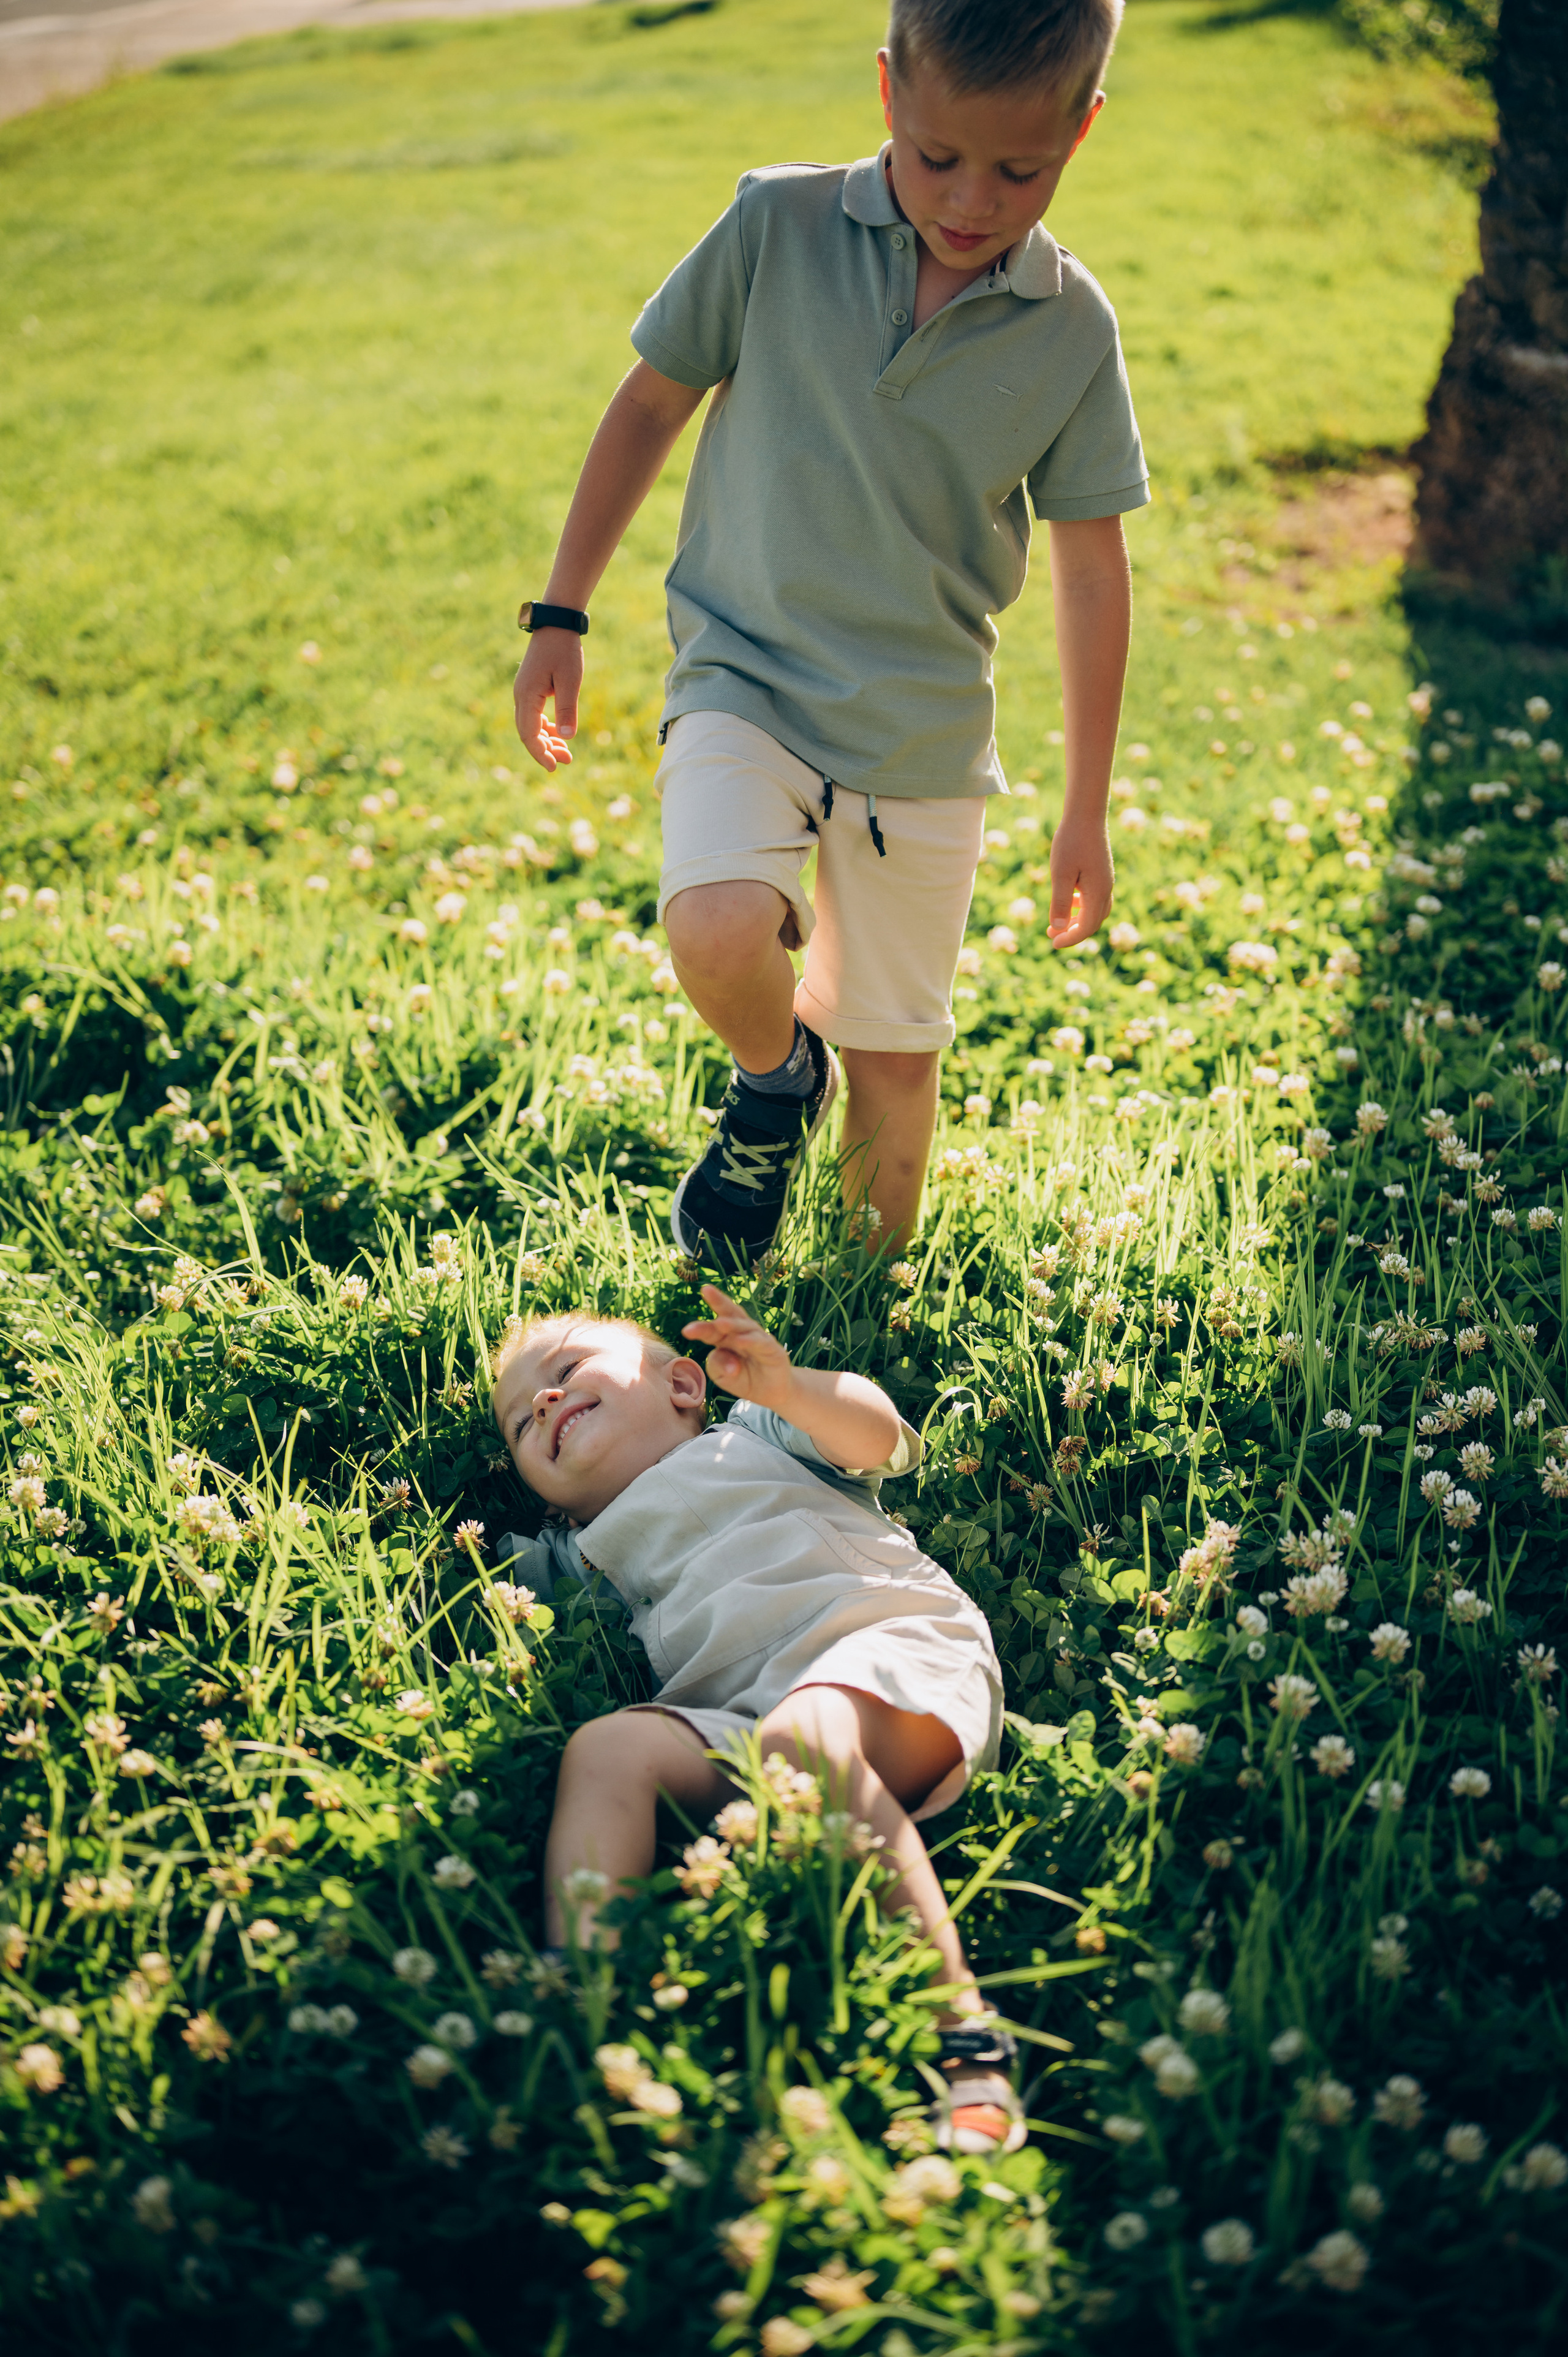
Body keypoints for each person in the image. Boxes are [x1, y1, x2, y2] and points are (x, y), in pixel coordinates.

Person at [513, 0, 1147, 1266]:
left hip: (919, 733)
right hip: (741, 670)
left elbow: (1088, 575)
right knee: (714, 926)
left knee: (896, 1069)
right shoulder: (774, 225)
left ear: (1080, 129)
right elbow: (648, 404)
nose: (969, 201)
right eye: (935, 158)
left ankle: (853, 1319)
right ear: (886, 97)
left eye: (1018, 171)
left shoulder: (1072, 329)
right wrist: (560, 609)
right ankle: (771, 1076)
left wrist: (1085, 806)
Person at [491, 1285, 1024, 2152]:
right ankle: (588, 2017)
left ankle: (962, 2033)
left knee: (805, 1739)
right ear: (551, 1500)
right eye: (522, 1423)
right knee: (607, 1749)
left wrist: (788, 1387)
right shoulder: (577, 1554)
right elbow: (481, 1584)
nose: (546, 1400)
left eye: (570, 1368)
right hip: (750, 1725)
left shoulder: (755, 1434)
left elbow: (876, 1435)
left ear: (684, 1388)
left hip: (895, 1651)